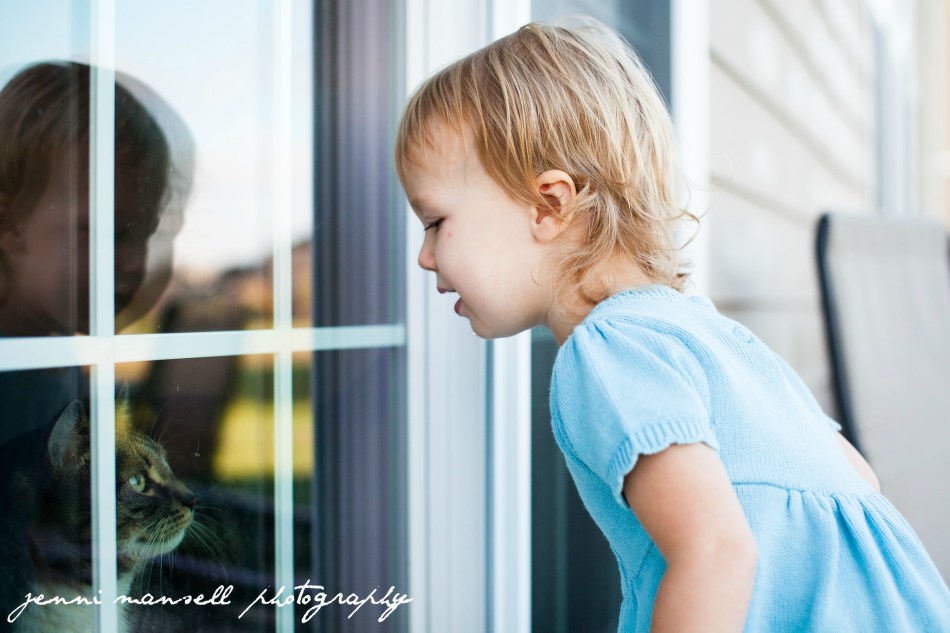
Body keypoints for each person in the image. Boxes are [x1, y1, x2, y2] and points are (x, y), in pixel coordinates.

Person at [394, 20, 950, 632]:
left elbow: (715, 552)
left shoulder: (607, 353)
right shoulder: (709, 333)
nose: (424, 256)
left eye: (436, 222)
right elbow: (856, 478)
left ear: (549, 205)